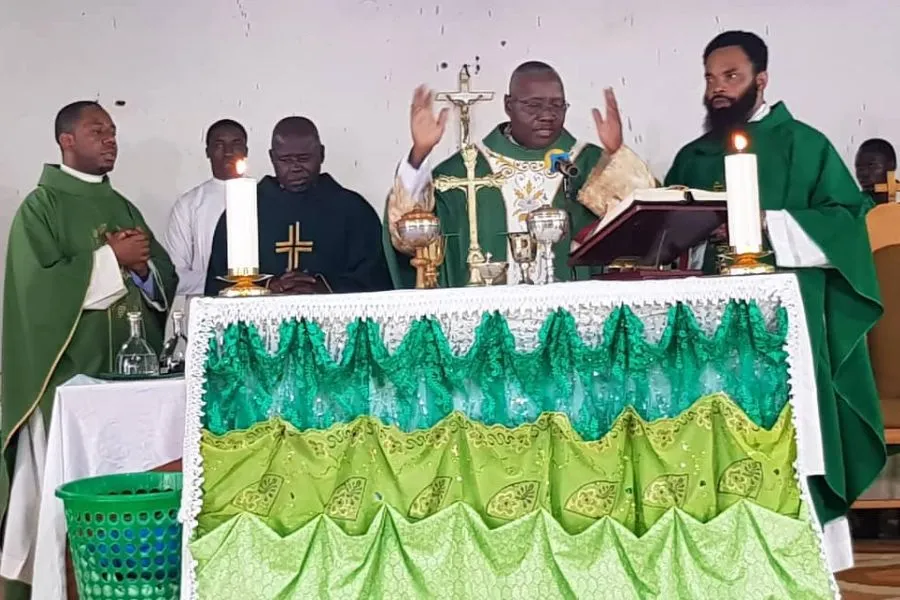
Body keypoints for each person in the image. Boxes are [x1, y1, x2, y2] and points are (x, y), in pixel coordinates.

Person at [664, 30, 885, 565]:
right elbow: (664, 235)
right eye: (711, 78)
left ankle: (806, 556)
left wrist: (768, 225)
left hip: (786, 323)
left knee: (793, 435)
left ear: (761, 80)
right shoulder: (693, 156)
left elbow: (846, 225)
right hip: (709, 323)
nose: (718, 88)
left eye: (731, 77)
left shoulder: (804, 146)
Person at [0, 101, 177, 598]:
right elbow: (36, 292)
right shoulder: (42, 207)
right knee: (65, 493)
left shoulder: (121, 205)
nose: (110, 140)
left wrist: (142, 270)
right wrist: (110, 259)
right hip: (66, 382)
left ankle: (126, 581)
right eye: (97, 130)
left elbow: (159, 273)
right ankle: (62, 585)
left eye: (114, 131)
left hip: (126, 376)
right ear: (66, 141)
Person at [383, 61, 656, 287]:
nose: (547, 115)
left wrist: (617, 153)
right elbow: (407, 234)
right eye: (533, 105)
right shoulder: (467, 169)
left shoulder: (587, 163)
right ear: (508, 105)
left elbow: (649, 224)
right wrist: (419, 154)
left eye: (556, 105)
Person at [205, 116, 392, 295]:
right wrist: (268, 286)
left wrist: (325, 287)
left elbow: (375, 278)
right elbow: (218, 281)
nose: (295, 167)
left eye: (303, 159)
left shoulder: (353, 210)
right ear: (272, 157)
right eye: (285, 160)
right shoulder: (245, 210)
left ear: (322, 154)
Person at [163, 119, 248, 296]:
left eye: (236, 144)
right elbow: (174, 276)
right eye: (219, 145)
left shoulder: (261, 198)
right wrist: (227, 283)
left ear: (246, 151)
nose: (228, 152)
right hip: (207, 305)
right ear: (208, 152)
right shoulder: (189, 204)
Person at [855, 138, 897, 204]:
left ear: (892, 166)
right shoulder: (857, 208)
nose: (864, 174)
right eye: (859, 168)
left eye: (871, 165)